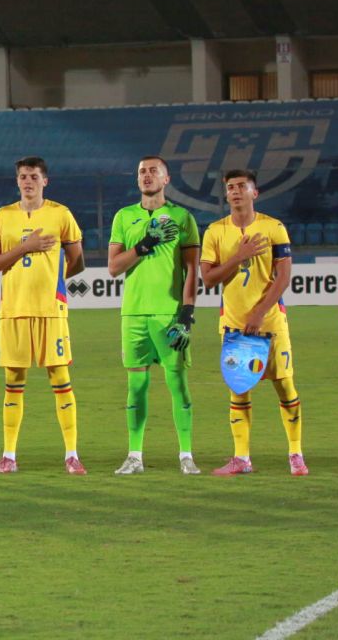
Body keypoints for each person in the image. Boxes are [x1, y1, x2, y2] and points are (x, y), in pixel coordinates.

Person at [0, 156, 87, 475]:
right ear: (17, 181)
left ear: (45, 181)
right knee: (13, 381)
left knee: (60, 378)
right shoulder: (2, 216)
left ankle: (72, 455)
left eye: (33, 176)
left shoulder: (60, 214)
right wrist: (25, 248)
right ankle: (8, 457)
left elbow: (78, 261)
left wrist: (51, 281)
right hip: (13, 310)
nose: (27, 181)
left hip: (50, 311)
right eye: (23, 177)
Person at [200, 169, 307, 476]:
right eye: (230, 187)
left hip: (270, 322)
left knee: (285, 386)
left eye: (241, 187)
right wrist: (237, 256)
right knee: (239, 391)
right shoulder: (215, 232)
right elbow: (208, 279)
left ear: (254, 193)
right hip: (233, 324)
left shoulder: (274, 227)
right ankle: (242, 458)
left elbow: (283, 276)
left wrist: (259, 312)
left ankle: (296, 453)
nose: (235, 192)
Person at [108, 156, 201, 475]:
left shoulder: (182, 217)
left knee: (178, 384)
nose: (146, 176)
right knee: (136, 387)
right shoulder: (124, 216)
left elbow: (192, 268)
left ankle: (186, 455)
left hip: (169, 313)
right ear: (137, 180)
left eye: (153, 171)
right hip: (133, 314)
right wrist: (145, 244)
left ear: (166, 179)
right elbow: (114, 267)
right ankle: (135, 456)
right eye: (141, 172)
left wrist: (187, 312)